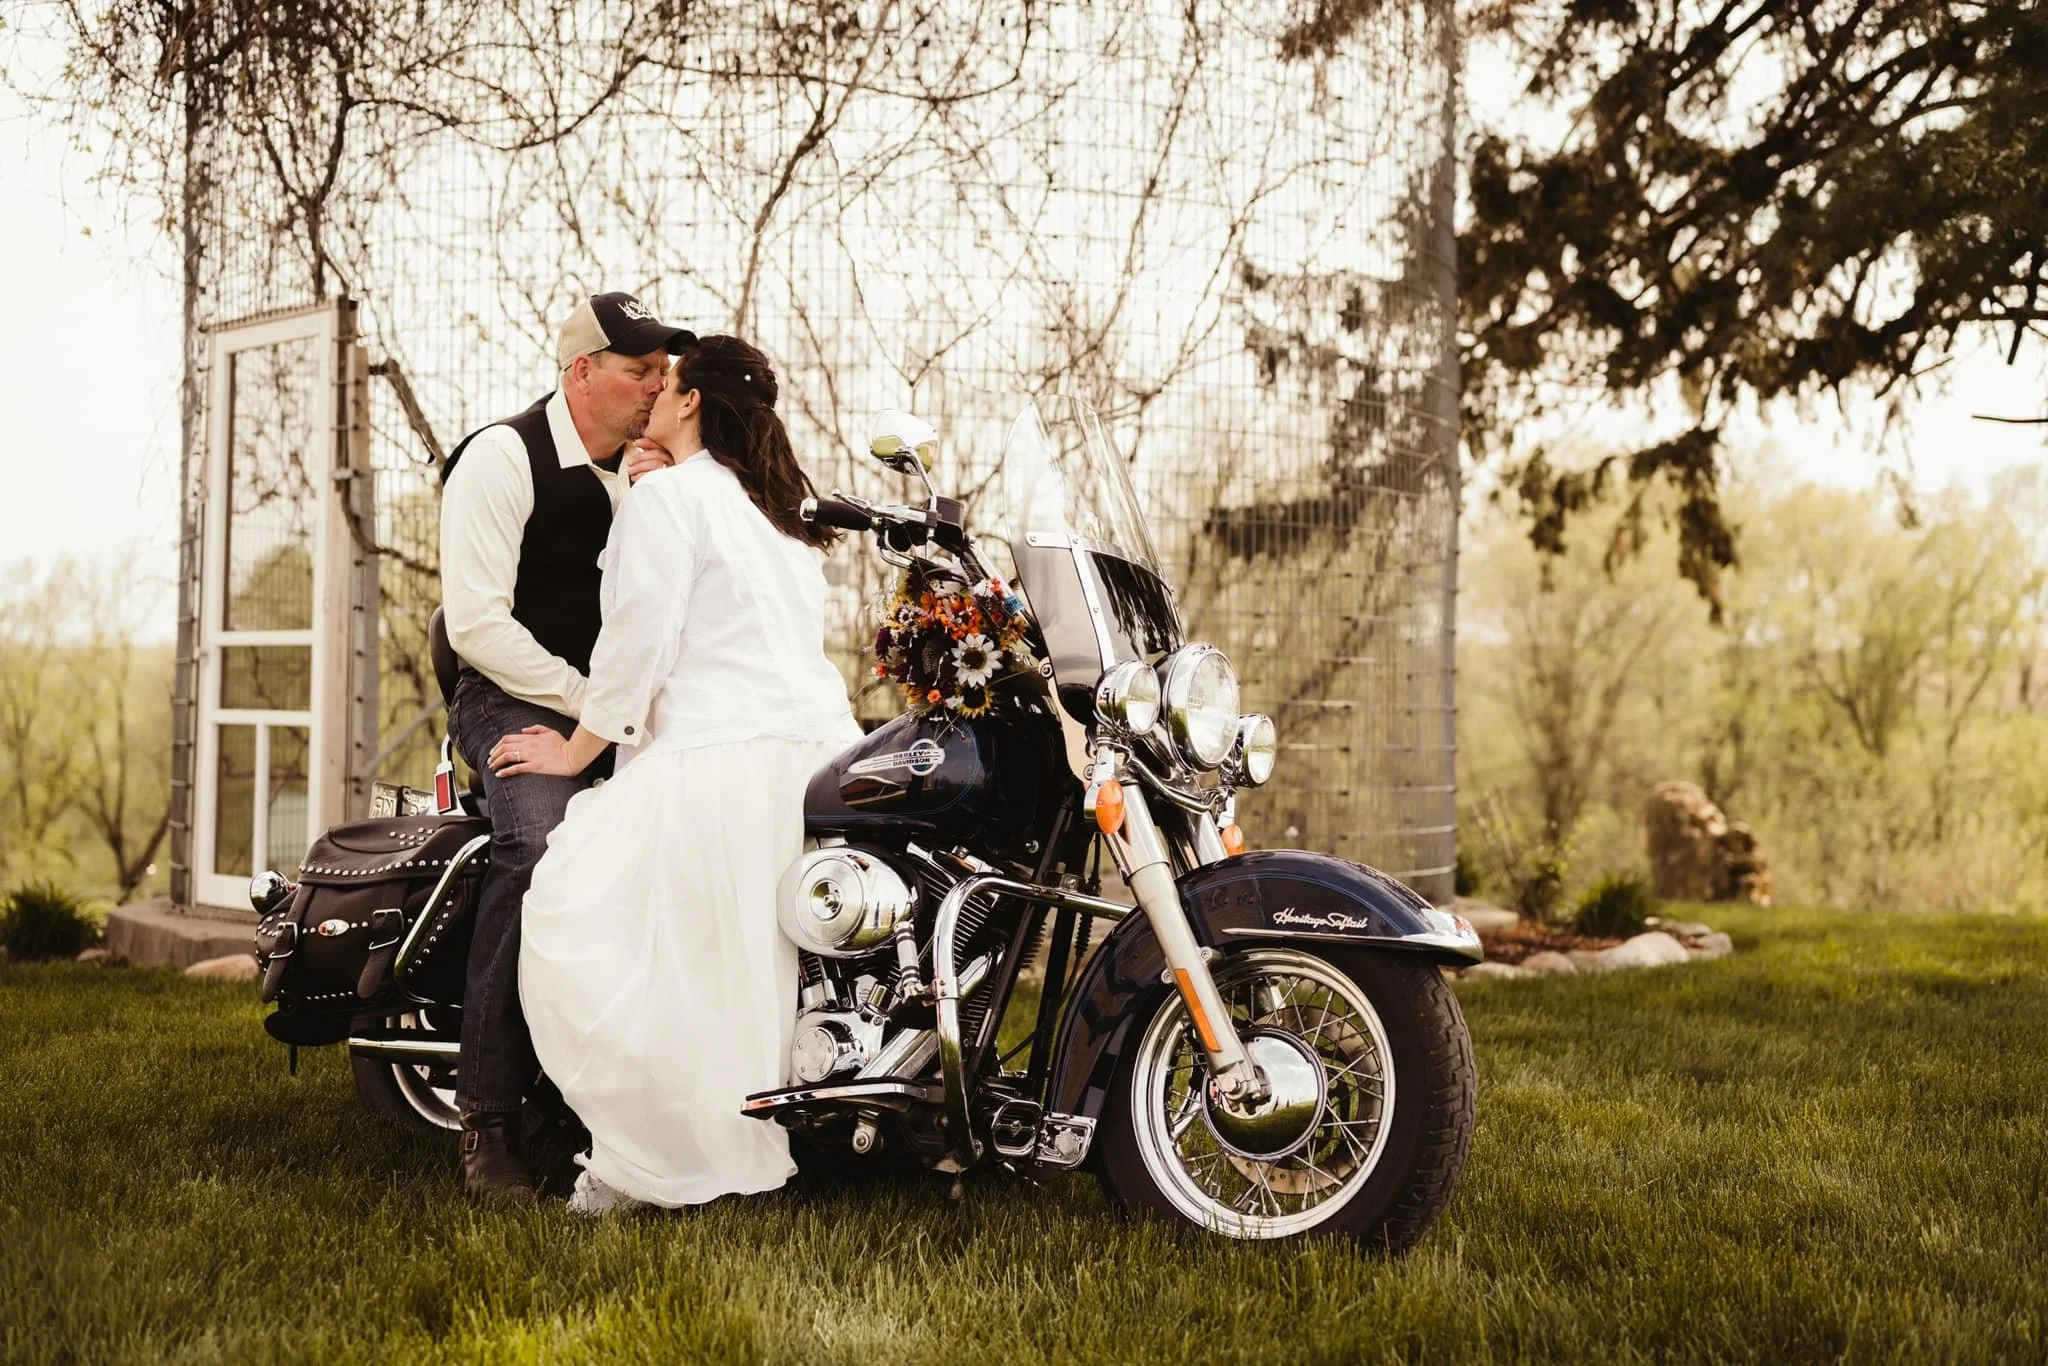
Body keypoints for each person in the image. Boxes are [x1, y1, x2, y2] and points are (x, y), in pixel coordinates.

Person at [487, 335, 860, 1214]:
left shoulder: (671, 503)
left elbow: (639, 642)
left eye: (669, 382)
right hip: (814, 761)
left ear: (690, 403)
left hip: (716, 759)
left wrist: (578, 750)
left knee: (586, 912)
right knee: (756, 962)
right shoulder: (776, 515)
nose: (654, 389)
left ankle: (647, 1151)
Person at [439, 292, 695, 1203]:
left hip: (606, 712)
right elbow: (472, 624)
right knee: (541, 848)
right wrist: (593, 711)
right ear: (580, 372)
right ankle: (489, 1121)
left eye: (663, 374)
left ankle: (623, 1106)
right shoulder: (501, 458)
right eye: (639, 372)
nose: (656, 388)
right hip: (506, 696)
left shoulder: (645, 472)